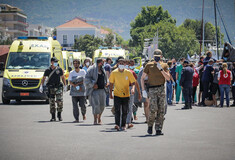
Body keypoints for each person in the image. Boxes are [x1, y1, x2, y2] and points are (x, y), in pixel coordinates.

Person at [141, 49, 171, 136]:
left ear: (161, 56)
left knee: (161, 110)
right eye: (155, 57)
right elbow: (142, 78)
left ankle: (158, 128)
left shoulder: (164, 65)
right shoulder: (149, 65)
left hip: (161, 89)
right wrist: (143, 90)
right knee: (153, 109)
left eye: (158, 57)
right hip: (152, 89)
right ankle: (150, 125)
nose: (157, 58)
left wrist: (161, 69)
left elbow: (168, 78)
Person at [109, 58, 138, 131]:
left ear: (124, 64)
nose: (121, 65)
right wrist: (110, 93)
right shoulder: (114, 72)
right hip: (117, 94)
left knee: (125, 110)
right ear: (118, 64)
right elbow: (111, 83)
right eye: (120, 63)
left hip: (126, 94)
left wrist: (133, 89)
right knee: (117, 110)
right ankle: (117, 124)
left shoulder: (128, 73)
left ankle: (123, 125)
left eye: (123, 63)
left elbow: (133, 82)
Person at [40, 57, 67, 121]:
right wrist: (41, 86)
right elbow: (43, 78)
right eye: (55, 62)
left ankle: (59, 115)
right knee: (52, 102)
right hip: (51, 88)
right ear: (51, 62)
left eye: (56, 62)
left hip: (58, 87)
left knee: (60, 101)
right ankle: (53, 116)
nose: (56, 63)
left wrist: (65, 85)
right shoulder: (48, 70)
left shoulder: (59, 69)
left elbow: (63, 77)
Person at [85, 58, 108, 125]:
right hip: (94, 90)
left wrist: (106, 83)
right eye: (102, 62)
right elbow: (86, 79)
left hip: (102, 90)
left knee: (102, 105)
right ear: (99, 63)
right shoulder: (92, 69)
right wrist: (92, 85)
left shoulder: (102, 69)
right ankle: (95, 119)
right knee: (96, 105)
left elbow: (105, 78)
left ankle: (99, 117)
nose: (103, 64)